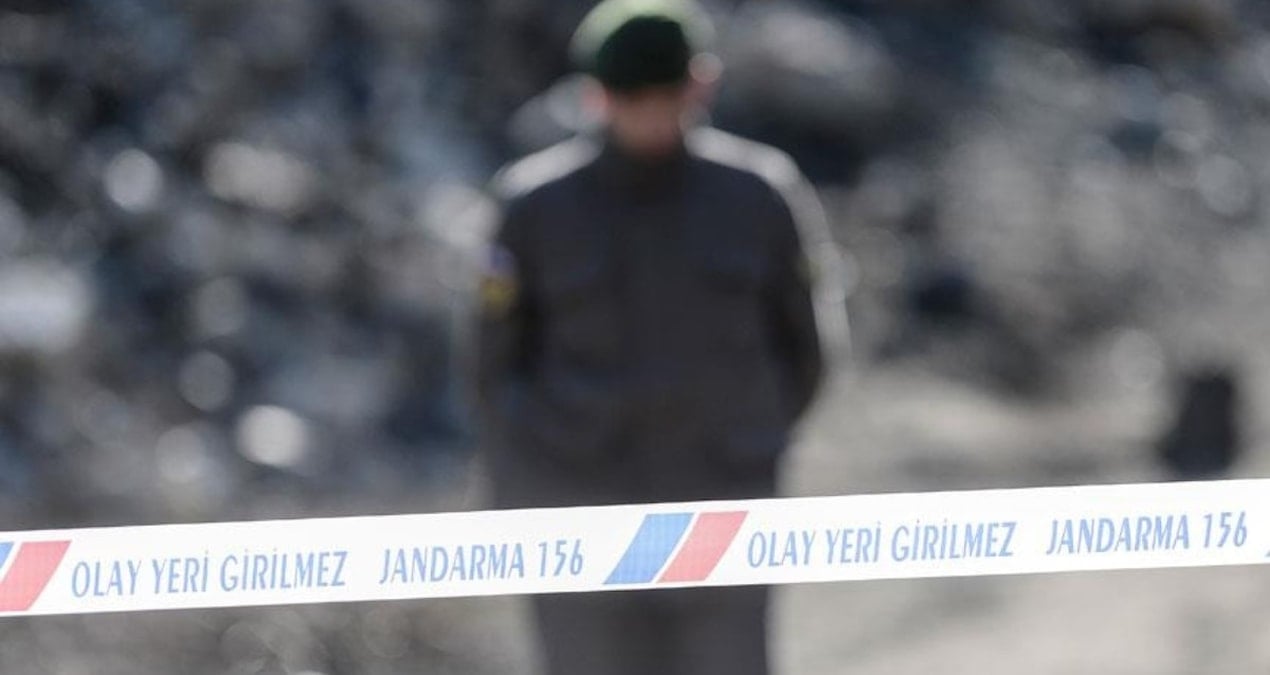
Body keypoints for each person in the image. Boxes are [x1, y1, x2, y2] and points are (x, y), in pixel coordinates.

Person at [473, 1, 845, 673]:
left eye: (664, 95)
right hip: (581, 518)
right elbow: (492, 367)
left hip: (722, 509)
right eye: (631, 98)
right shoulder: (534, 207)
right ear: (595, 95)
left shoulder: (758, 196)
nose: (649, 115)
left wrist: (749, 442)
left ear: (700, 85)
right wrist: (535, 496)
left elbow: (806, 348)